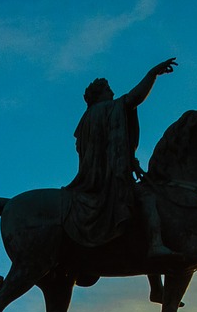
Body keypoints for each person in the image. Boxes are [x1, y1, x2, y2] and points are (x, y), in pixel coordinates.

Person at [64, 57, 177, 257]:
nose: (112, 92)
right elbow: (134, 98)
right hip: (107, 180)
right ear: (99, 95)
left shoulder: (84, 122)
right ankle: (155, 244)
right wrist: (152, 74)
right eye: (108, 90)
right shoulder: (106, 109)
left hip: (92, 177)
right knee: (147, 197)